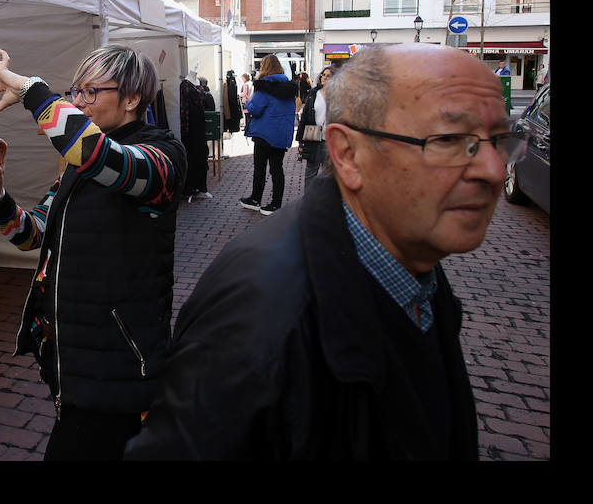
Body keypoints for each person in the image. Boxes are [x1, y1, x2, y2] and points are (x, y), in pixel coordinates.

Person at [124, 44, 525, 459]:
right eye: (450, 140)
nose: (494, 170)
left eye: (500, 139)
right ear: (349, 154)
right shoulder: (261, 318)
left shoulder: (409, 260)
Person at [0, 46, 187, 461]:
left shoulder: (161, 157)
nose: (78, 102)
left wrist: (33, 90)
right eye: (76, 91)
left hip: (123, 369)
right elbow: (33, 234)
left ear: (131, 99)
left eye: (91, 92)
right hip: (77, 365)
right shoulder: (78, 165)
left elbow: (102, 157)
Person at [238, 55, 298, 215]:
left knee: (260, 169)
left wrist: (248, 102)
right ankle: (275, 203)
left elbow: (255, 109)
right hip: (281, 133)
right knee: (277, 169)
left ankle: (255, 199)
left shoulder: (264, 87)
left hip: (264, 133)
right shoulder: (289, 87)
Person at [295, 66, 333, 191]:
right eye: (323, 75)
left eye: (328, 76)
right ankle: (309, 202)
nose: (325, 78)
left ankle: (326, 202)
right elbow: (305, 116)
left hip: (331, 138)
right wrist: (300, 137)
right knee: (311, 171)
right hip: (314, 134)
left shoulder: (339, 95)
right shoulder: (314, 93)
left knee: (329, 174)